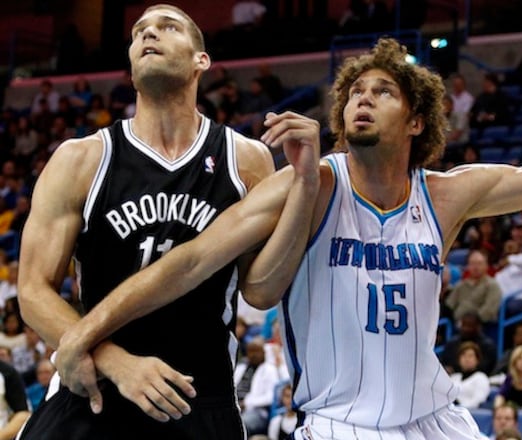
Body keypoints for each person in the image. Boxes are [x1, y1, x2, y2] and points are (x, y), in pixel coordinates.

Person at [51, 37, 522, 439]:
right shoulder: (315, 180)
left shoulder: (449, 193)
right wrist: (85, 333)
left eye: (382, 92)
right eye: (354, 93)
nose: (362, 100)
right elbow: (193, 262)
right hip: (341, 425)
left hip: (438, 420)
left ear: (417, 119)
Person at [17, 4, 318, 439]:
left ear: (202, 60)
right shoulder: (81, 158)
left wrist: (305, 186)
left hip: (198, 395)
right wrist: (115, 362)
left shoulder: (245, 159)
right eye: (139, 31)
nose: (148, 34)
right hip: (95, 386)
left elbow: (260, 290)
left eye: (168, 26)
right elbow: (32, 290)